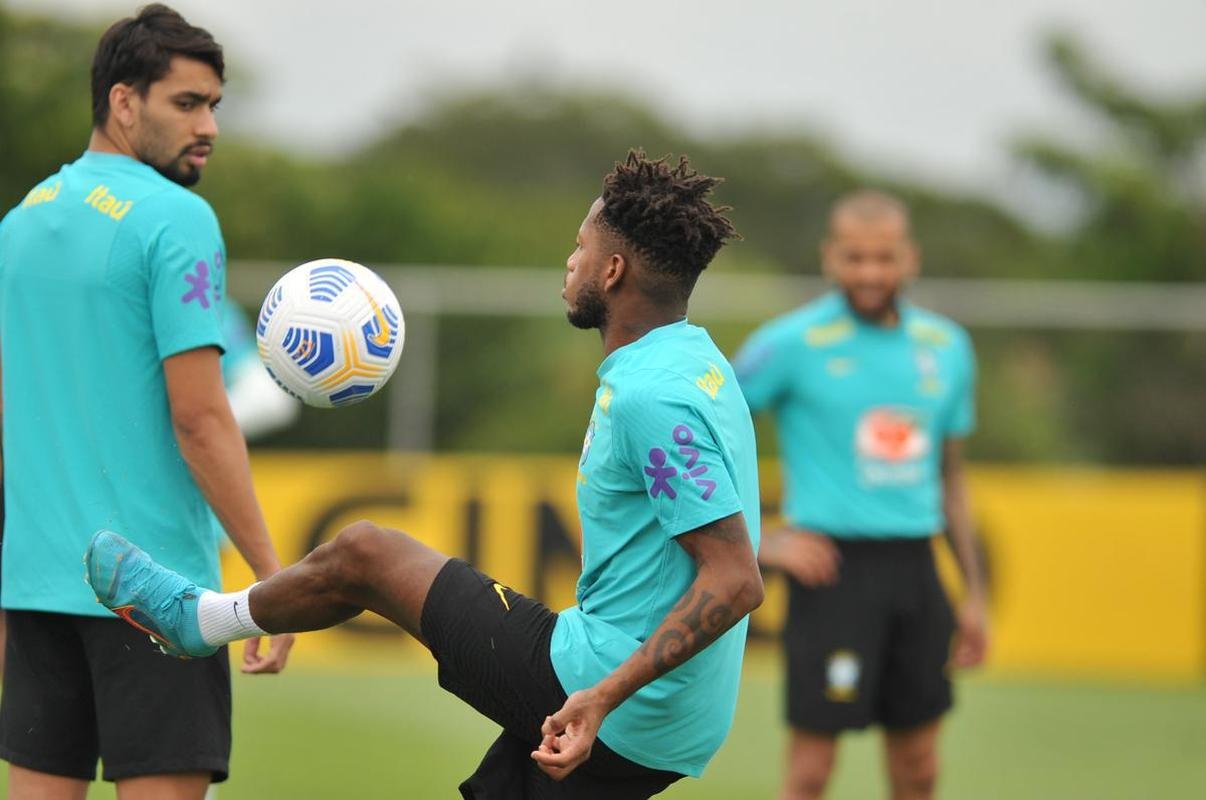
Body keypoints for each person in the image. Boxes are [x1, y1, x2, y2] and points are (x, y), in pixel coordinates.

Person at [85, 150, 764, 799]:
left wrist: (601, 696)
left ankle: (196, 620)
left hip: (614, 691)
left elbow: (734, 578)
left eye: (580, 246)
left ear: (612, 271)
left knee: (367, 553)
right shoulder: (696, 365)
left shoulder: (653, 395)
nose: (570, 259)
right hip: (666, 713)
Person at [0, 6, 293, 798]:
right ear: (124, 103)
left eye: (214, 106)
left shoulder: (19, 222)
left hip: (34, 587)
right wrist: (270, 579)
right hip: (153, 591)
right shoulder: (177, 219)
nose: (210, 127)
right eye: (187, 104)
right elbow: (200, 418)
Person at [734, 190, 988, 800]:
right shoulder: (790, 344)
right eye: (855, 258)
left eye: (884, 258)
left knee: (919, 766)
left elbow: (951, 479)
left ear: (910, 259)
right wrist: (760, 540)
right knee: (812, 772)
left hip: (916, 572)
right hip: (832, 573)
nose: (870, 272)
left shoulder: (947, 348)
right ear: (830, 259)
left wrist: (974, 593)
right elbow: (704, 438)